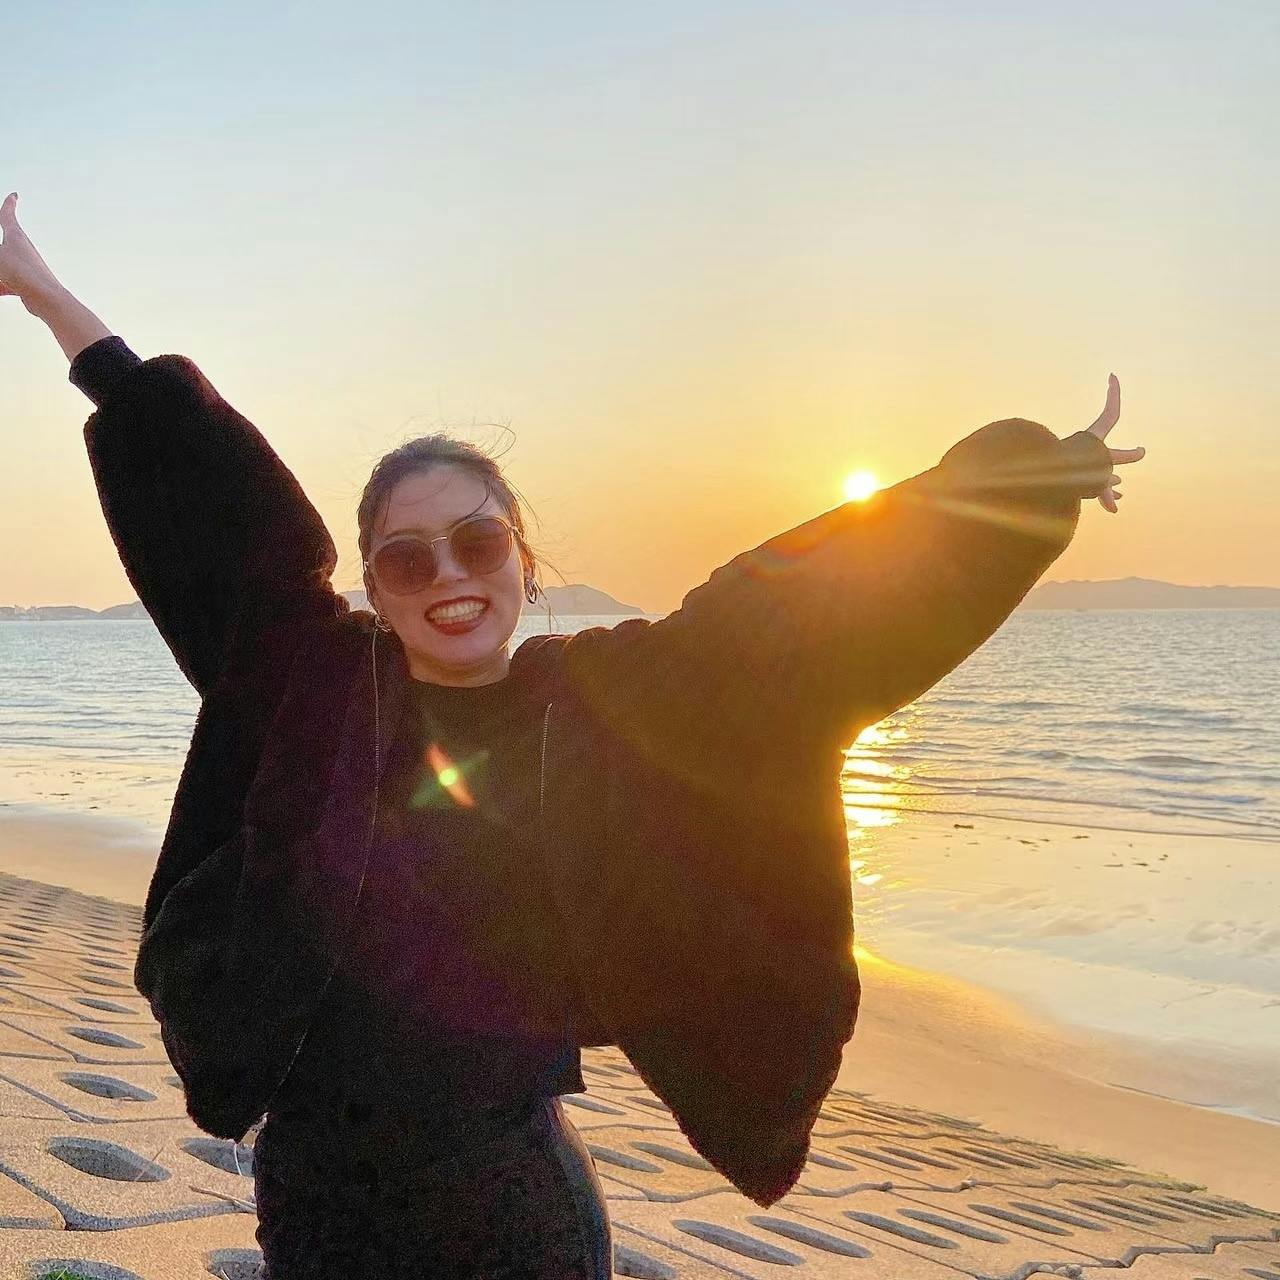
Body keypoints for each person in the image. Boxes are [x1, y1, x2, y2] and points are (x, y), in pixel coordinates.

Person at [1, 191, 1145, 1278]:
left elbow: (804, 609)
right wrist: (48, 294)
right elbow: (209, 501)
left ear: (523, 557)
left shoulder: (606, 703)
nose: (448, 575)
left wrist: (1019, 482)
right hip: (320, 1195)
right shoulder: (316, 688)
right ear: (375, 586)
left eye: (477, 542)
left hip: (516, 1199)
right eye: (408, 557)